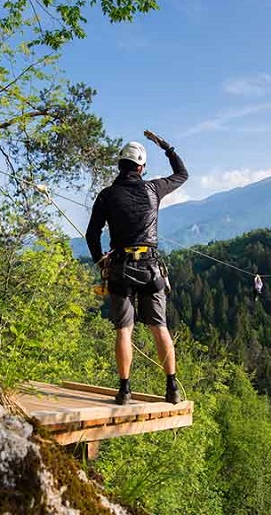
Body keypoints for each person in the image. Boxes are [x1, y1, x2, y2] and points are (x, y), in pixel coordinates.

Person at [85, 130, 188, 405]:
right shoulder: (154, 188)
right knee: (159, 327)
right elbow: (182, 174)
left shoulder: (107, 196)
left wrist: (100, 260)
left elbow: (92, 234)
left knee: (124, 330)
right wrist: (167, 147)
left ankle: (124, 390)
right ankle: (172, 388)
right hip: (151, 268)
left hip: (120, 268)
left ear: (120, 165)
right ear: (141, 167)